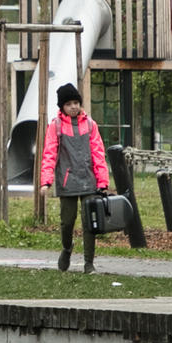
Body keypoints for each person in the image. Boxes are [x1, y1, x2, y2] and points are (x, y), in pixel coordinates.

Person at [38, 83, 112, 273]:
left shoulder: (90, 125)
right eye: (69, 103)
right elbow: (49, 154)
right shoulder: (55, 126)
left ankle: (89, 262)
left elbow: (98, 153)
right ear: (62, 106)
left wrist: (102, 182)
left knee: (90, 222)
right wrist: (46, 181)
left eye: (76, 102)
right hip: (67, 182)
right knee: (67, 221)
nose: (73, 107)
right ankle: (67, 248)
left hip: (89, 181)